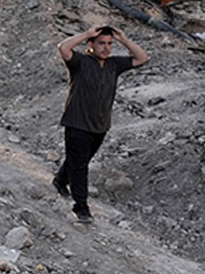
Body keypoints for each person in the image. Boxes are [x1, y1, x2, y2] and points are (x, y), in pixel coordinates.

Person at [54, 24, 149, 223]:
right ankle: (81, 207)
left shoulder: (114, 64)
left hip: (100, 125)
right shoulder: (80, 61)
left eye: (109, 44)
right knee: (80, 166)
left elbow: (142, 58)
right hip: (77, 122)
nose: (106, 48)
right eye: (101, 43)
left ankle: (60, 181)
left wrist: (124, 39)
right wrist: (87, 33)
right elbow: (63, 47)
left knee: (81, 160)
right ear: (91, 45)